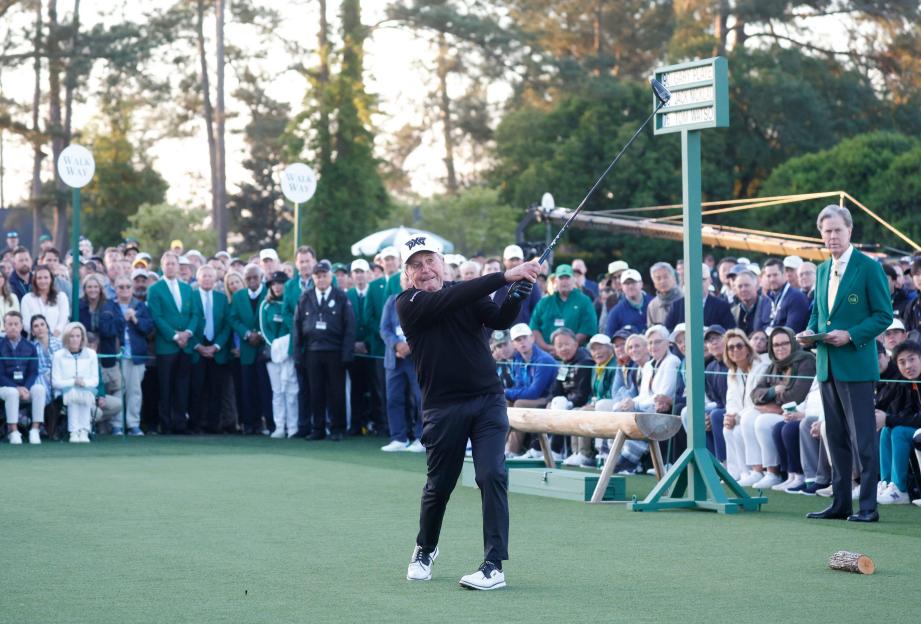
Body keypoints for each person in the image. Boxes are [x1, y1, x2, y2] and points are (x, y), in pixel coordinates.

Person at [396, 234, 540, 591]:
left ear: (443, 264)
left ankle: (494, 564)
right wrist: (506, 276)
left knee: (492, 475)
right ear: (407, 273)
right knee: (439, 486)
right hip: (443, 407)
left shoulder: (468, 292)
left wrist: (517, 293)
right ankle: (425, 548)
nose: (425, 269)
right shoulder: (408, 302)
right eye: (416, 264)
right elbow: (453, 297)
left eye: (430, 261)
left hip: (487, 399)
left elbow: (500, 319)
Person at [799, 204, 893, 523]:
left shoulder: (869, 267)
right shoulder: (823, 269)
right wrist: (810, 332)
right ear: (821, 234)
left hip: (855, 364)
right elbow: (817, 312)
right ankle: (840, 503)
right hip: (826, 364)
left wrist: (850, 335)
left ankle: (868, 506)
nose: (832, 236)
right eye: (827, 231)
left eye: (838, 230)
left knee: (863, 438)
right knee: (835, 437)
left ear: (850, 231)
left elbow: (884, 315)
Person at [742, 327, 816, 489]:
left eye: (785, 343)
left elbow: (796, 396)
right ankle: (757, 470)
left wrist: (771, 403)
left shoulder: (806, 360)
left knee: (762, 421)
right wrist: (773, 390)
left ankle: (774, 472)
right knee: (748, 417)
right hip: (779, 410)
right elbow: (755, 394)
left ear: (793, 343)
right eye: (775, 345)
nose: (780, 348)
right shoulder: (774, 365)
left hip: (798, 412)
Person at [293, 260, 355, 441]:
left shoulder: (341, 297)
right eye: (317, 276)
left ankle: (338, 428)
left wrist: (347, 354)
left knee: (337, 391)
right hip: (312, 351)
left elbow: (349, 327)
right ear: (313, 278)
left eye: (324, 276)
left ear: (330, 277)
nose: (321, 279)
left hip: (335, 351)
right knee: (315, 391)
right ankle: (318, 428)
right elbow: (296, 327)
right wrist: (298, 354)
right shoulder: (305, 297)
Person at [146, 251, 200, 434]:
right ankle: (166, 424)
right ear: (162, 266)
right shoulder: (155, 289)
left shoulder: (187, 289)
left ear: (179, 266)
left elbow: (194, 315)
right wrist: (175, 336)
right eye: (167, 263)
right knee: (165, 387)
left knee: (182, 387)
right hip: (167, 346)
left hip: (186, 346)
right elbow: (157, 317)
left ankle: (180, 424)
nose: (170, 266)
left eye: (173, 263)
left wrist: (187, 333)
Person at [379, 271, 424, 452]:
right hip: (394, 358)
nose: (407, 282)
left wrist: (409, 346)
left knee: (421, 400)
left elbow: (425, 329)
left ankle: (421, 438)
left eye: (409, 278)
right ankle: (399, 437)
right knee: (394, 398)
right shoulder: (391, 301)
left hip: (416, 359)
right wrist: (397, 345)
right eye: (404, 279)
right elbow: (384, 329)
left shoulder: (423, 300)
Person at [874, 340, 921, 505]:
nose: (908, 365)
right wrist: (886, 419)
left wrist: (888, 418)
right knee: (888, 430)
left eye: (912, 359)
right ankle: (888, 485)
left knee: (899, 430)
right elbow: (907, 413)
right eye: (902, 362)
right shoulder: (908, 382)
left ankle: (900, 490)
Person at [229, 263, 273, 435]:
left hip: (263, 347)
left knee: (265, 387)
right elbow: (233, 318)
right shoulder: (239, 296)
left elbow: (271, 317)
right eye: (248, 278)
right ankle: (249, 424)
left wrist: (261, 334)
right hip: (247, 348)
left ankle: (268, 424)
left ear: (261, 278)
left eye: (255, 277)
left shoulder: (268, 293)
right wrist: (247, 334)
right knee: (248, 388)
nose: (252, 281)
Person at [504, 323, 558, 458]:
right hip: (532, 397)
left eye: (524, 338)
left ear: (532, 338)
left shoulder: (544, 359)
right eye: (518, 340)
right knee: (503, 402)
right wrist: (506, 394)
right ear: (513, 344)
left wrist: (506, 392)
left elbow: (534, 392)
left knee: (519, 404)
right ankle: (501, 448)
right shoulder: (518, 359)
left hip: (547, 398)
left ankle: (512, 450)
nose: (522, 342)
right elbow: (519, 385)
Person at [563, 332, 617, 468]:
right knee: (575, 410)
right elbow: (593, 393)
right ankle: (576, 452)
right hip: (597, 404)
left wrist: (592, 403)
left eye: (600, 348)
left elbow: (612, 393)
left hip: (609, 405)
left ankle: (586, 454)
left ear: (610, 349)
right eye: (593, 349)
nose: (597, 352)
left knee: (584, 412)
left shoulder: (613, 366)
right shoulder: (595, 367)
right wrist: (590, 402)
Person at [189, 265, 231, 434]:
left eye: (210, 276)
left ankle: (214, 425)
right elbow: (186, 322)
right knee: (197, 389)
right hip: (197, 348)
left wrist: (216, 346)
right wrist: (198, 346)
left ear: (215, 280)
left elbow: (227, 325)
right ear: (198, 279)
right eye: (204, 276)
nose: (207, 279)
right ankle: (195, 424)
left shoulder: (222, 298)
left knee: (216, 390)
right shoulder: (191, 297)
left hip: (217, 349)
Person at [346, 258, 387, 436]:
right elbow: (344, 324)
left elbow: (374, 320)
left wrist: (367, 343)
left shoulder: (375, 292)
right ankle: (357, 424)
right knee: (356, 389)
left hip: (373, 349)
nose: (359, 275)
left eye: (362, 272)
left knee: (376, 389)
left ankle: (379, 424)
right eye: (356, 272)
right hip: (354, 350)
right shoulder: (347, 295)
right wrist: (354, 343)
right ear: (352, 275)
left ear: (368, 274)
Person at [722, 329, 767, 480]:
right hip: (742, 414)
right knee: (728, 429)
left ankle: (756, 471)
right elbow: (731, 400)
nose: (735, 350)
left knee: (739, 428)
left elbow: (755, 400)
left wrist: (738, 417)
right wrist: (731, 415)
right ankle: (738, 472)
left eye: (739, 346)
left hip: (758, 412)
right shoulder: (732, 372)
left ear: (747, 348)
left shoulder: (760, 367)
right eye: (730, 348)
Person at [259, 271, 299, 439]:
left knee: (291, 390)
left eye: (280, 283)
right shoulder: (266, 305)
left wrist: (288, 348)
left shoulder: (291, 304)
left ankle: (293, 427)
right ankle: (279, 426)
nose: (276, 286)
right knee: (277, 391)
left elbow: (295, 326)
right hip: (273, 355)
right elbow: (264, 330)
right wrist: (276, 347)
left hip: (290, 353)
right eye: (273, 283)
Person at [114, 274, 153, 436]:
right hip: (117, 355)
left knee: (135, 390)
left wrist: (135, 319)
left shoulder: (140, 306)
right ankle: (116, 424)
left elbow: (148, 328)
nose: (124, 290)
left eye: (128, 287)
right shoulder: (110, 306)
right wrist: (123, 319)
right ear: (115, 289)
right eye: (121, 287)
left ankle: (133, 423)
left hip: (136, 355)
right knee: (117, 390)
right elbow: (106, 328)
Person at [284, 245, 317, 437]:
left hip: (318, 343)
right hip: (298, 344)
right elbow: (286, 312)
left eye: (307, 261)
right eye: (301, 261)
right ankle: (303, 426)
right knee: (302, 387)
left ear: (313, 261)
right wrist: (300, 327)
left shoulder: (324, 279)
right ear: (296, 263)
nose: (304, 265)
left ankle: (321, 425)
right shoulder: (290, 285)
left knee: (319, 386)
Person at [529, 264, 597, 354]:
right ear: (555, 281)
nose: (564, 281)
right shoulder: (544, 302)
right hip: (546, 354)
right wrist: (547, 347)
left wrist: (567, 347)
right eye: (561, 278)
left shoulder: (584, 301)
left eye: (567, 278)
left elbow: (588, 328)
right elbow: (534, 327)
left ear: (574, 280)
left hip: (577, 355)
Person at [0, 311, 47, 444]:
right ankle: (13, 431)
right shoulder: (0, 345)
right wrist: (17, 387)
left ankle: (35, 429)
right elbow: (0, 374)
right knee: (12, 392)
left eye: (16, 324)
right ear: (5, 326)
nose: (13, 327)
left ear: (21, 326)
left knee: (39, 389)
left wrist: (25, 388)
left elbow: (33, 372)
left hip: (25, 387)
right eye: (10, 324)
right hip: (5, 387)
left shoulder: (30, 347)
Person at [52, 322, 99, 443]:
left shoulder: (91, 354)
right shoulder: (58, 355)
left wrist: (84, 383)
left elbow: (95, 380)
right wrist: (73, 382)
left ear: (82, 338)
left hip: (86, 388)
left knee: (84, 394)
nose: (75, 339)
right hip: (65, 390)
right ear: (66, 337)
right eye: (71, 336)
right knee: (73, 395)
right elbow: (55, 382)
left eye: (78, 336)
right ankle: (73, 431)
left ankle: (84, 431)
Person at [78, 273, 125, 391]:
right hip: (85, 351)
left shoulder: (110, 305)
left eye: (95, 287)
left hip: (107, 351)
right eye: (89, 287)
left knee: (112, 388)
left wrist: (105, 332)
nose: (93, 289)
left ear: (100, 288)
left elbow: (120, 325)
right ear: (84, 289)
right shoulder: (79, 305)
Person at [664, 264, 735, 331]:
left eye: (702, 279)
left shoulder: (722, 306)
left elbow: (729, 332)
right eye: (693, 280)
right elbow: (668, 331)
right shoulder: (676, 306)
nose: (697, 283)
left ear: (710, 280)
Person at [490, 244, 542, 325]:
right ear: (504, 261)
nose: (514, 263)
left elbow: (537, 308)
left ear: (523, 260)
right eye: (511, 259)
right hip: (500, 333)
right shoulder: (498, 281)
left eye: (517, 259)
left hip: (524, 331)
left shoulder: (531, 281)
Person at [756, 258, 810, 333]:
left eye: (775, 275)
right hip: (767, 342)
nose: (772, 279)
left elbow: (791, 331)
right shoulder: (765, 300)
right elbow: (758, 329)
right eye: (768, 276)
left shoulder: (797, 297)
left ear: (784, 274)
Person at [21, 265, 70, 338]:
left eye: (46, 277)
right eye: (39, 278)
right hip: (34, 341)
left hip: (57, 340)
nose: (43, 281)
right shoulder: (27, 298)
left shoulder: (61, 297)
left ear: (51, 279)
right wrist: (40, 335)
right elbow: (26, 324)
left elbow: (63, 319)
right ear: (35, 280)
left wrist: (54, 334)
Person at [604, 269, 651, 337]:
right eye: (626, 283)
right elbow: (609, 337)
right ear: (622, 286)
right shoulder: (615, 312)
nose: (630, 286)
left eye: (633, 282)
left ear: (641, 284)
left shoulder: (653, 303)